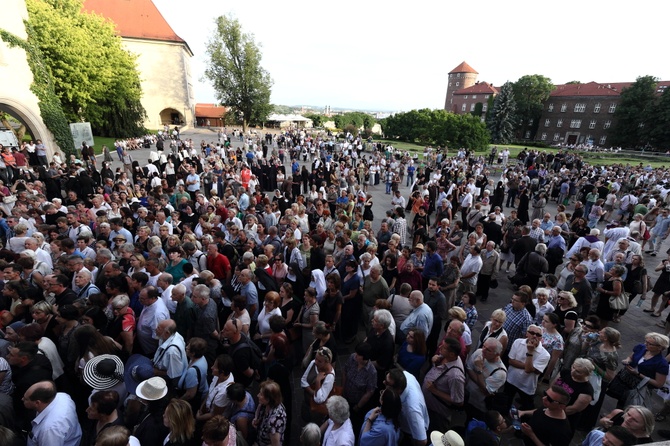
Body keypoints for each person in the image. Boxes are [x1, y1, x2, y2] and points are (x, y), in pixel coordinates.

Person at [614, 332, 669, 409]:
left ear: (660, 348)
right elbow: (631, 357)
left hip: (640, 387)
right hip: (626, 380)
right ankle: (616, 417)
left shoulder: (662, 364)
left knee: (630, 406)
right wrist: (627, 360)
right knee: (621, 401)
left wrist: (638, 374)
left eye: (650, 344)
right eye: (646, 341)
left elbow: (658, 384)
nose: (645, 344)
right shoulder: (641, 347)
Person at [505, 325, 550, 410]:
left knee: (527, 406)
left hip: (527, 385)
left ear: (541, 338)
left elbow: (528, 370)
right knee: (505, 402)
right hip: (511, 379)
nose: (534, 336)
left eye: (538, 335)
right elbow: (511, 361)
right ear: (527, 334)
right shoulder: (518, 342)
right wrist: (530, 366)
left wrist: (530, 351)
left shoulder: (545, 355)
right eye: (532, 333)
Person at [23, 380, 82, 446]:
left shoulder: (50, 430)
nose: (22, 399)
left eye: (26, 399)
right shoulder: (62, 396)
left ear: (37, 403)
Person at [383, 368, 429, 446]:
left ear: (398, 389)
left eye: (387, 383)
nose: (383, 382)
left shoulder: (412, 409)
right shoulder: (405, 375)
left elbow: (422, 441)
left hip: (410, 434)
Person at [465, 338, 507, 420]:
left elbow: (485, 390)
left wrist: (479, 370)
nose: (483, 350)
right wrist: (481, 383)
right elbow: (468, 368)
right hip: (467, 394)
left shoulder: (500, 373)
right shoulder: (479, 352)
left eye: (488, 350)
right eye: (484, 346)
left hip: (479, 405)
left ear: (497, 354)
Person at [253, 380, 287, 446]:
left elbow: (275, 445)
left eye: (261, 394)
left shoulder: (274, 422)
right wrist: (257, 420)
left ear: (268, 399)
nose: (257, 395)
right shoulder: (265, 404)